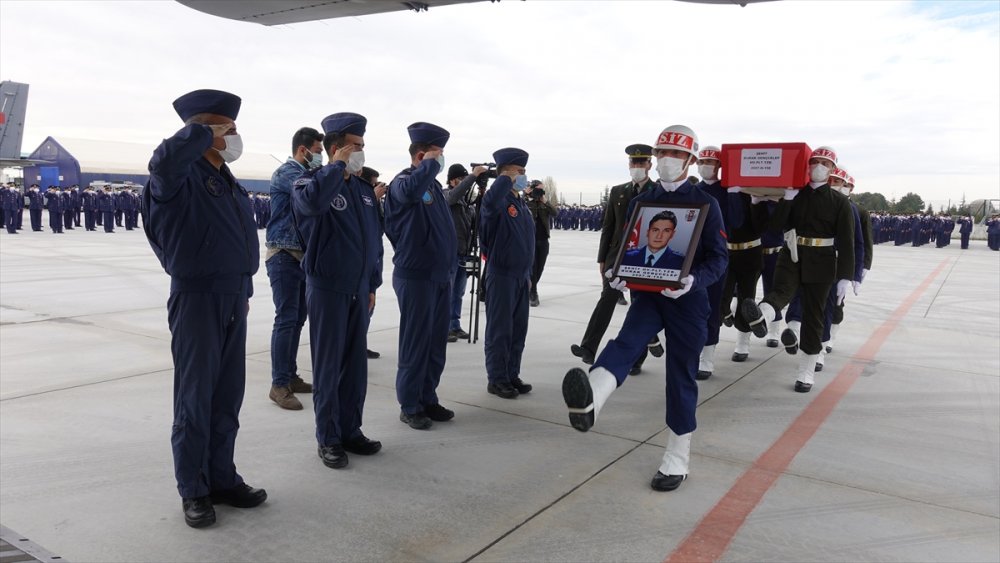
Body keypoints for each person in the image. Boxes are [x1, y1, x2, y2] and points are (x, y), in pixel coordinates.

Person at [562, 125, 728, 492]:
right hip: (647, 296)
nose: (665, 161)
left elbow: (719, 260)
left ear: (690, 161)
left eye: (675, 155)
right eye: (661, 154)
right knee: (626, 341)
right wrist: (619, 275)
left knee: (681, 375)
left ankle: (677, 456)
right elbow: (628, 245)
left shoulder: (706, 204)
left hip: (686, 302)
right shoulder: (642, 201)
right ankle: (591, 400)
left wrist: (692, 281)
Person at [143, 89, 266, 528]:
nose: (234, 136)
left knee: (227, 396)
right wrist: (196, 134)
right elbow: (161, 163)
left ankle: (221, 477)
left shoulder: (227, 178)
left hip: (235, 296)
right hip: (198, 297)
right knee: (195, 399)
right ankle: (193, 488)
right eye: (226, 127)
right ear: (205, 130)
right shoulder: (177, 174)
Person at [292, 112, 384, 470]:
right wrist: (336, 168)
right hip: (327, 287)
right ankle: (328, 437)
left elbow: (372, 240)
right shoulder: (309, 183)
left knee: (354, 367)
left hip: (359, 289)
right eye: (355, 146)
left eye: (362, 146)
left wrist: (372, 283)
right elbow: (311, 205)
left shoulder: (362, 191)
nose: (361, 152)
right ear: (337, 148)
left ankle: (350, 429)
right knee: (329, 367)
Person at [740, 146, 855, 393]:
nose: (818, 167)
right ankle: (762, 316)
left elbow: (847, 241)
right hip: (791, 252)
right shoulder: (795, 194)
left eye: (824, 163)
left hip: (822, 260)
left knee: (814, 315)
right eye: (814, 161)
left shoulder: (840, 202)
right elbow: (775, 227)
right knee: (781, 291)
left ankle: (806, 370)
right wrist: (786, 201)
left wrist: (846, 276)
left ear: (832, 170)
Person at [384, 122, 457, 430]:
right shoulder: (403, 183)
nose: (441, 161)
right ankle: (410, 404)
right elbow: (410, 192)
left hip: (440, 276)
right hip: (416, 276)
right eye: (438, 154)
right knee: (416, 342)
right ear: (423, 155)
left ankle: (428, 397)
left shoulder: (432, 188)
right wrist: (428, 165)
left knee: (435, 342)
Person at [570, 144, 663, 373]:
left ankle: (637, 358)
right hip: (616, 256)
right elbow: (608, 227)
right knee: (607, 297)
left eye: (641, 162)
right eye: (634, 163)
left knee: (638, 306)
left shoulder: (658, 191)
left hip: (643, 257)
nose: (637, 167)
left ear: (650, 165)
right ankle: (589, 348)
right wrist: (602, 258)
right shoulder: (618, 191)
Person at [265, 127, 323, 411]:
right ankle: (279, 385)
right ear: (304, 150)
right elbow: (312, 194)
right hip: (284, 254)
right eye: (319, 151)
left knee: (297, 318)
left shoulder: (304, 172)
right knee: (287, 319)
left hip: (300, 256)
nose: (321, 157)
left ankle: (290, 375)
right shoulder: (289, 173)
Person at [479, 148, 536, 399]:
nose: (524, 177)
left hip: (521, 276)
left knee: (517, 330)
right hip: (501, 275)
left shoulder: (520, 204)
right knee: (500, 331)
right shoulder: (497, 201)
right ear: (507, 174)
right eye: (519, 172)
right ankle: (497, 378)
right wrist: (504, 179)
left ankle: (512, 373)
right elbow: (489, 202)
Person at [443, 163, 487, 341]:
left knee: (459, 292)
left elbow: (478, 221)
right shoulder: (446, 195)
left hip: (464, 252)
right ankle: (443, 326)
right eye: (461, 179)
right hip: (450, 253)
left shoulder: (467, 203)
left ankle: (454, 325)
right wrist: (472, 177)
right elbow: (453, 196)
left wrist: (482, 196)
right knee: (448, 291)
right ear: (452, 180)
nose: (464, 183)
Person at [359, 165, 386, 360]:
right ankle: (355, 345)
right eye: (373, 184)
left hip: (374, 259)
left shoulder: (374, 203)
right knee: (361, 307)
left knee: (370, 305)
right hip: (362, 261)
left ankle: (361, 342)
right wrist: (372, 199)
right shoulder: (361, 200)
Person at [524, 179, 559, 306]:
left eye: (542, 189)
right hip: (530, 240)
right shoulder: (526, 202)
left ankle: (530, 288)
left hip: (544, 239)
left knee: (540, 268)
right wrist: (527, 196)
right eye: (538, 189)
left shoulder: (544, 203)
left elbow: (555, 213)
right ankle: (533, 293)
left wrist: (545, 201)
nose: (540, 192)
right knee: (533, 267)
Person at [619, 211, 686, 270]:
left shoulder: (680, 261)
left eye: (666, 231)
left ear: (672, 234)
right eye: (655, 230)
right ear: (648, 232)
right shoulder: (627, 256)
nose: (659, 236)